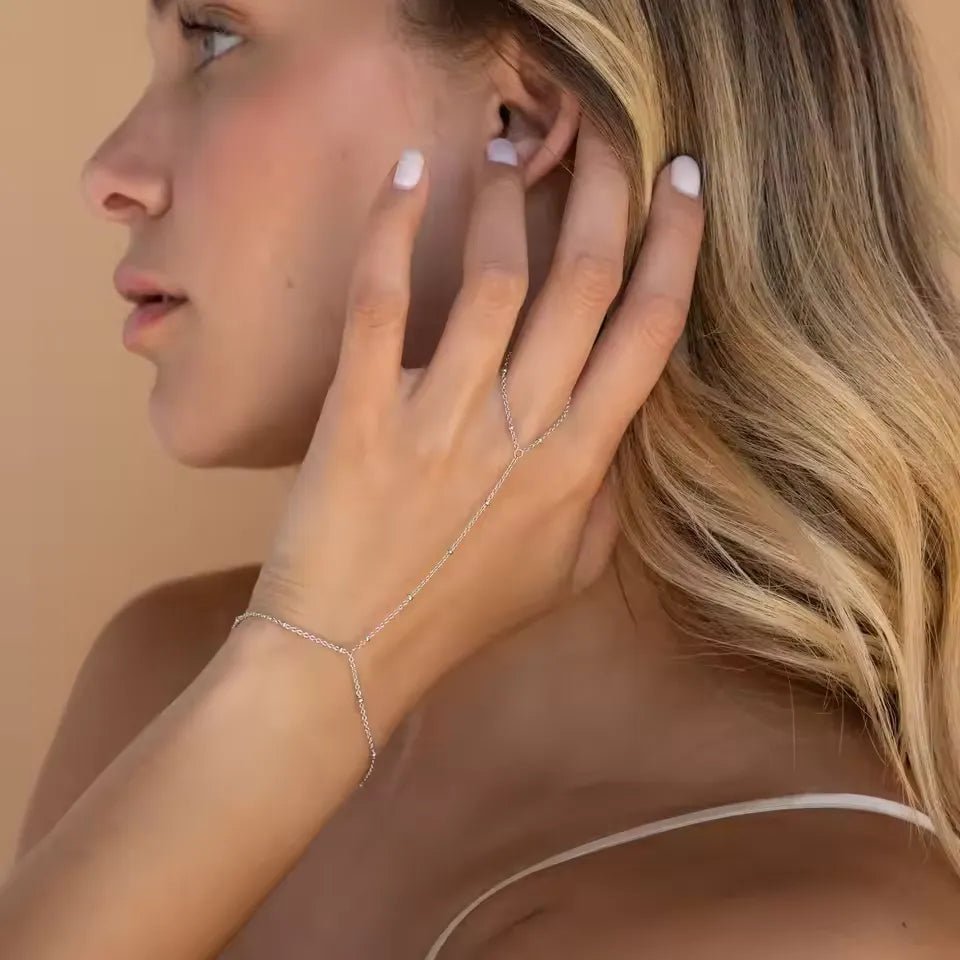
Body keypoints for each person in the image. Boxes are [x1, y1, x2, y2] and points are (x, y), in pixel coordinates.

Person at [6, 0, 960, 956]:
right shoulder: (163, 677)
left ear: (526, 116)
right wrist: (306, 674)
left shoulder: (812, 925)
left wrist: (311, 679)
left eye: (214, 36)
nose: (109, 176)